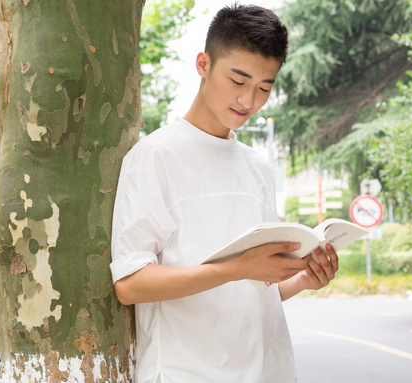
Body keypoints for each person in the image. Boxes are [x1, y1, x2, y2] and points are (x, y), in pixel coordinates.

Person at [108, 4, 338, 382]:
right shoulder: (154, 157)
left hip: (270, 371)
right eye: (238, 80)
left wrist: (302, 279)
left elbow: (251, 295)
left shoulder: (258, 168)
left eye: (264, 87)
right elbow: (130, 284)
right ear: (203, 64)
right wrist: (236, 268)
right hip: (187, 372)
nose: (248, 101)